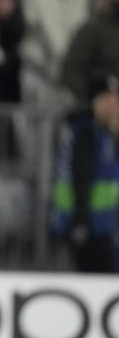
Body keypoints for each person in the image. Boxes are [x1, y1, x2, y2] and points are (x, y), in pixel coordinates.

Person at [51, 70, 119, 273]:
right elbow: (81, 177)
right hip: (90, 225)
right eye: (108, 99)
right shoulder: (85, 133)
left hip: (102, 223)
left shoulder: (102, 131)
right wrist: (80, 223)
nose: (114, 105)